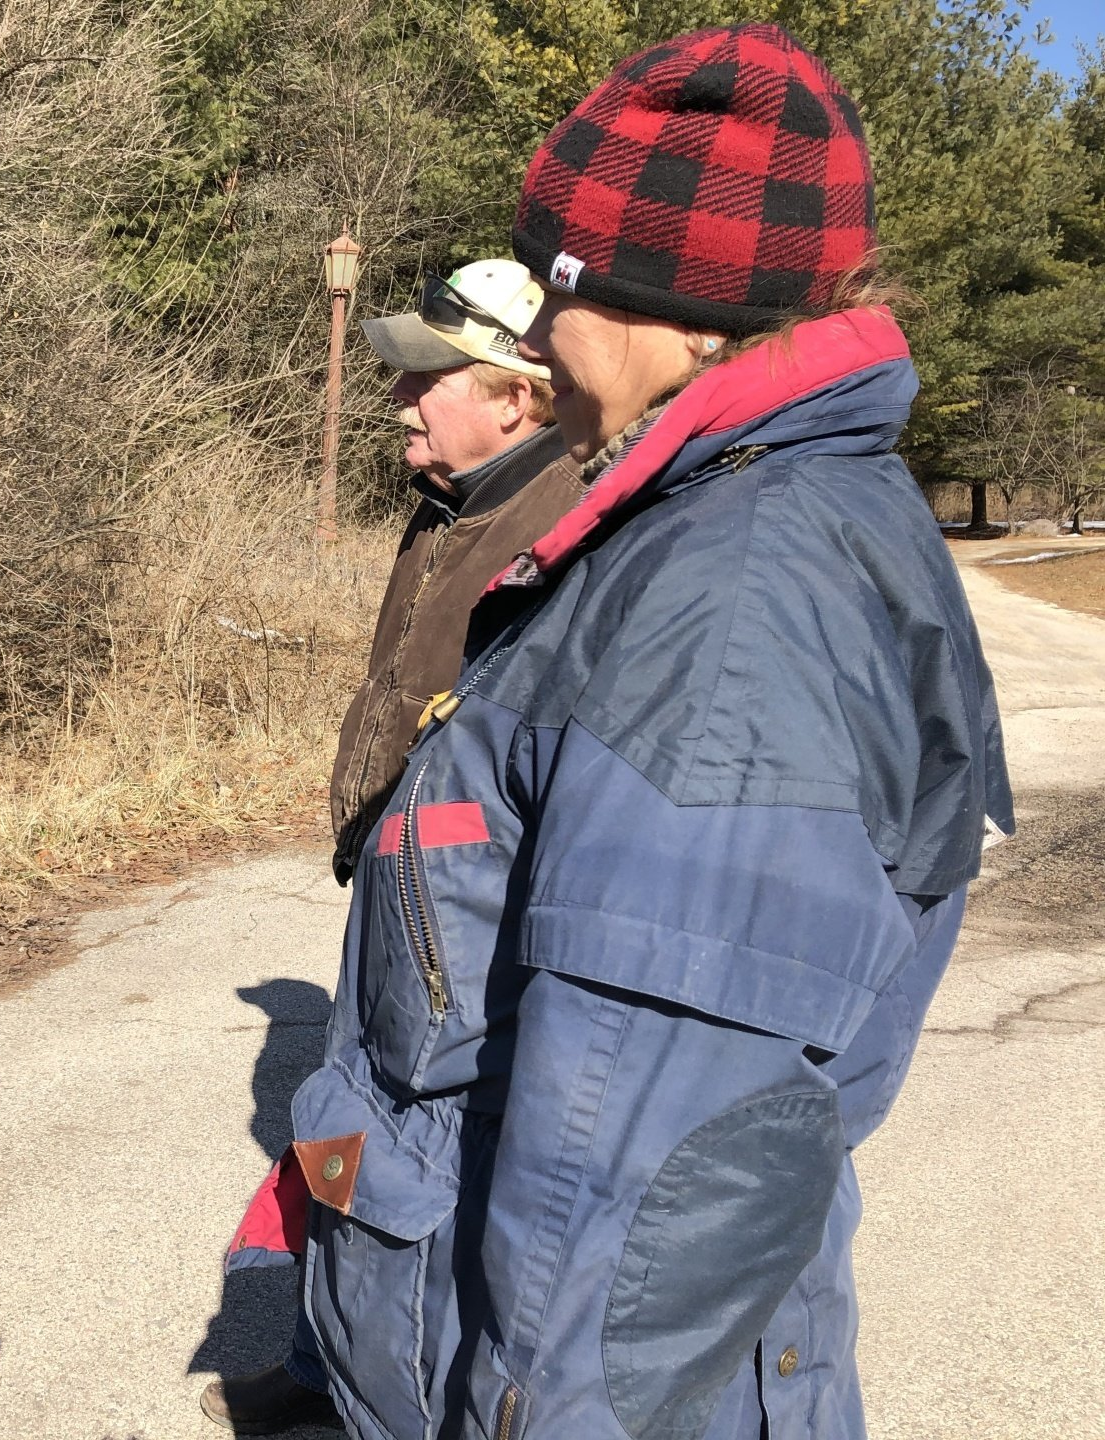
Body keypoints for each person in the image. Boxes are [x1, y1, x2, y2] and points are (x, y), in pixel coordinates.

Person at [288, 25, 1011, 1440]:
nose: (538, 344)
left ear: (681, 317)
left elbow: (627, 1226)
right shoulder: (722, 525)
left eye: (558, 293)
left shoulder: (734, 616)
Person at [203, 259, 581, 1435]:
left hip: (460, 921)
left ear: (517, 394)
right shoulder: (450, 504)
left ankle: (403, 1396)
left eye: (431, 377)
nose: (402, 398)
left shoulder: (567, 520)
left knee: (427, 1165)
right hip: (397, 879)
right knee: (344, 1123)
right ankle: (327, 1365)